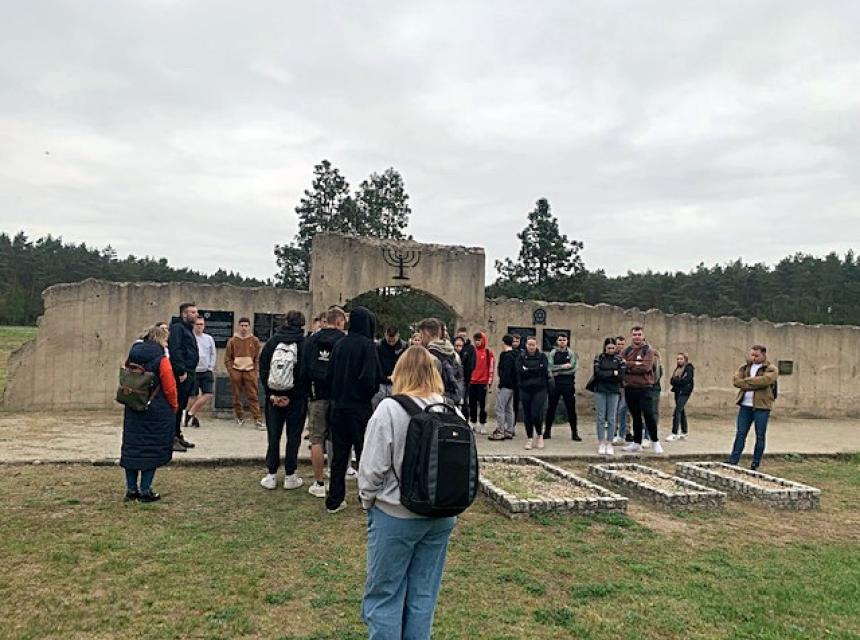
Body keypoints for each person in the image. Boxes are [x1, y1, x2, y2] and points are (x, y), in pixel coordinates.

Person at [358, 346, 458, 640]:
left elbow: (373, 468)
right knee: (423, 594)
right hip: (441, 514)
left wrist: (367, 501)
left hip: (396, 513)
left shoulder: (389, 409)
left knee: (385, 594)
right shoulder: (451, 409)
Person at [325, 306, 382, 514]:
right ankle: (365, 496)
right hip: (359, 408)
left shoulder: (340, 344)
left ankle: (334, 499)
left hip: (338, 406)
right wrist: (364, 394)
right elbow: (371, 379)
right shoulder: (368, 346)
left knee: (339, 455)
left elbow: (329, 375)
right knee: (364, 453)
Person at [120, 324, 177, 502]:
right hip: (155, 409)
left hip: (134, 405)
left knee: (132, 449)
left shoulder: (133, 354)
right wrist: (174, 406)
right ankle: (145, 490)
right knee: (150, 451)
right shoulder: (161, 359)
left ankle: (131, 489)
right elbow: (169, 386)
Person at [258, 311, 308, 490]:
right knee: (293, 437)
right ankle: (290, 475)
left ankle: (271, 474)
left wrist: (272, 394)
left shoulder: (272, 342)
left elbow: (263, 368)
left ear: (286, 322)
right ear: (302, 324)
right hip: (296, 400)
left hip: (273, 398)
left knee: (273, 436)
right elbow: (305, 374)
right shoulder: (304, 344)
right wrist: (292, 396)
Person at [301, 306, 347, 497]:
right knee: (337, 440)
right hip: (337, 397)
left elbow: (303, 370)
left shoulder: (311, 340)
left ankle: (319, 483)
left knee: (316, 439)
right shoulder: (343, 342)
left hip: (316, 395)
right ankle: (335, 478)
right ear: (338, 322)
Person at [728, 345, 778, 470]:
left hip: (762, 406)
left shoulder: (771, 368)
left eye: (757, 355)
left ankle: (755, 463)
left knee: (760, 435)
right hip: (745, 405)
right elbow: (735, 380)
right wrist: (753, 383)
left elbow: (765, 381)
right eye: (752, 355)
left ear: (764, 355)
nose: (754, 358)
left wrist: (745, 383)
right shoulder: (745, 367)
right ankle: (733, 460)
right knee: (740, 434)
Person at [621, 326, 663, 454]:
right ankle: (636, 442)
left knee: (649, 415)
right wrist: (635, 364)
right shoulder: (627, 350)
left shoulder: (648, 350)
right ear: (631, 336)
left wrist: (629, 365)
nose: (637, 337)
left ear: (643, 336)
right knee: (635, 416)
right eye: (634, 334)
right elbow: (621, 364)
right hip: (629, 387)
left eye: (639, 334)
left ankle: (655, 442)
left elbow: (645, 367)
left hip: (645, 388)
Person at [167, 302, 198, 451]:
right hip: (182, 374)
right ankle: (171, 438)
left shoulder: (187, 329)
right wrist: (180, 371)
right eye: (192, 312)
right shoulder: (178, 328)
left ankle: (178, 435)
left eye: (196, 312)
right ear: (184, 314)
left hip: (190, 372)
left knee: (182, 406)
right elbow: (176, 350)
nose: (196, 315)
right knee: (176, 406)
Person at [418, 318, 465, 408]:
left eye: (421, 335)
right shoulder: (454, 354)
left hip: (435, 405)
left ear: (426, 333)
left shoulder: (428, 356)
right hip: (453, 403)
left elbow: (426, 386)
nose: (421, 338)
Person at [225, 317, 263, 428]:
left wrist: (255, 371)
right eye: (242, 325)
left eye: (246, 326)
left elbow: (257, 357)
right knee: (236, 396)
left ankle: (257, 419)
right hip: (236, 371)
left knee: (253, 395)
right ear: (238, 326)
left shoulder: (254, 340)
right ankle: (239, 416)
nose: (244, 328)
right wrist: (231, 371)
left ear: (249, 327)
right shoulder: (232, 340)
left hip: (250, 372)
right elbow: (228, 358)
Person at [518, 336, 552, 450]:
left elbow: (543, 370)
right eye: (529, 344)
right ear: (526, 345)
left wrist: (528, 370)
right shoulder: (521, 357)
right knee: (527, 414)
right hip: (525, 389)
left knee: (536, 413)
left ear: (536, 345)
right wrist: (534, 370)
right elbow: (520, 371)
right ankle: (529, 438)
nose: (531, 347)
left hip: (540, 389)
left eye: (533, 345)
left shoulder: (542, 357)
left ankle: (540, 435)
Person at [592, 337, 625, 455]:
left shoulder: (619, 359)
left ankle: (609, 442)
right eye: (608, 348)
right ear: (605, 348)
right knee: (601, 417)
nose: (611, 350)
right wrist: (612, 373)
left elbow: (621, 375)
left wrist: (610, 374)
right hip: (600, 390)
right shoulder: (599, 357)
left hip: (614, 390)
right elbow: (597, 373)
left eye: (613, 347)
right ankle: (601, 442)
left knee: (611, 418)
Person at [545, 333, 580, 441]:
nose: (562, 342)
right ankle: (547, 432)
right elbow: (550, 367)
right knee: (551, 408)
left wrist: (558, 371)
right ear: (557, 341)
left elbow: (573, 368)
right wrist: (563, 367)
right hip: (555, 384)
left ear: (567, 341)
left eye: (564, 340)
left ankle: (574, 433)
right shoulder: (552, 353)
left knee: (571, 409)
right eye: (560, 340)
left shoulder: (572, 353)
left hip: (568, 384)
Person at [184, 316, 216, 429]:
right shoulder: (189, 337)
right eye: (197, 324)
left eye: (201, 324)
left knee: (208, 394)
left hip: (206, 370)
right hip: (193, 370)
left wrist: (210, 367)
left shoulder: (208, 338)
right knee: (192, 396)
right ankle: (190, 418)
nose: (199, 327)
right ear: (193, 325)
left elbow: (213, 353)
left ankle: (190, 413)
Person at [489, 334, 517, 440]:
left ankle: (500, 431)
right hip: (513, 386)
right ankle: (509, 430)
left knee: (500, 408)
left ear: (504, 342)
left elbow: (505, 372)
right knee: (509, 408)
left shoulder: (506, 356)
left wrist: (501, 384)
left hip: (506, 385)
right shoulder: (516, 354)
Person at [467, 332, 494, 434]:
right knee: (472, 404)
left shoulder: (488, 353)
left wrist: (489, 383)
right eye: (476, 340)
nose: (477, 342)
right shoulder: (472, 352)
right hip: (472, 382)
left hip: (483, 383)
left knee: (483, 405)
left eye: (479, 340)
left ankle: (483, 424)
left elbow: (491, 368)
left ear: (483, 340)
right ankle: (473, 422)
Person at [376, 325, 407, 403]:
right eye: (389, 341)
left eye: (393, 341)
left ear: (398, 336)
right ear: (385, 335)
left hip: (397, 383)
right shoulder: (378, 346)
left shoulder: (404, 347)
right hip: (380, 383)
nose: (391, 343)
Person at [668, 353, 695, 441]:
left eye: (681, 359)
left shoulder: (689, 368)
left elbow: (686, 380)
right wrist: (676, 381)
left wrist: (677, 381)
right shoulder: (677, 369)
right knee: (681, 411)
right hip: (677, 391)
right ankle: (684, 432)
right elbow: (672, 380)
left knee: (677, 411)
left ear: (685, 359)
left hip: (685, 392)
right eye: (678, 359)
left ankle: (674, 433)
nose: (679, 361)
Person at [612, 335, 631, 444]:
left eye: (622, 344)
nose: (620, 346)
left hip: (625, 385)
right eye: (618, 344)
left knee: (625, 410)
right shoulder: (612, 355)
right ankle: (614, 431)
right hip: (615, 385)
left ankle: (627, 431)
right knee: (614, 409)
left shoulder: (628, 355)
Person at [455, 327, 476, 404]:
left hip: (465, 378)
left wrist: (468, 377)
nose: (462, 338)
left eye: (464, 336)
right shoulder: (453, 347)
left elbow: (472, 364)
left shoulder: (470, 348)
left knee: (463, 399)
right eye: (460, 336)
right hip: (454, 377)